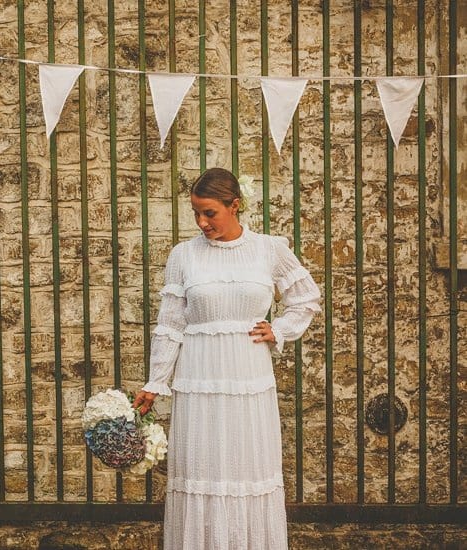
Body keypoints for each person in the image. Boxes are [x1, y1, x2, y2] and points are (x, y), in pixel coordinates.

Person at [133, 167, 320, 549]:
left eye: (210, 213)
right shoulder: (183, 256)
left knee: (247, 470)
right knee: (201, 470)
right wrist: (154, 384)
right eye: (196, 214)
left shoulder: (270, 249)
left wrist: (279, 330)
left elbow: (306, 297)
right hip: (198, 379)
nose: (202, 222)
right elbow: (169, 326)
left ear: (235, 206)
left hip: (249, 380)